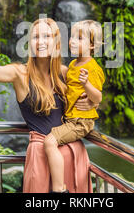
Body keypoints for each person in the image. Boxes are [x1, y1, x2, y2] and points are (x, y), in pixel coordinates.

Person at [0, 16, 97, 193]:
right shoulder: (20, 73)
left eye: (47, 36)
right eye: (36, 37)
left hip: (72, 153)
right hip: (41, 157)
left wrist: (91, 103)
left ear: (56, 42)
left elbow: (90, 94)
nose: (41, 42)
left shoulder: (65, 73)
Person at [44, 20, 105, 193]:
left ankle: (59, 189)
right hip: (71, 118)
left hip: (81, 121)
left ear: (92, 46)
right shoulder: (72, 64)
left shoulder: (92, 68)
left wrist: (87, 85)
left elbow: (97, 96)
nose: (72, 41)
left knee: (49, 142)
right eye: (72, 36)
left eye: (79, 38)